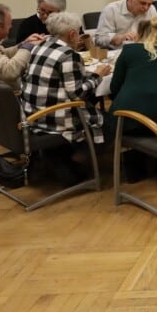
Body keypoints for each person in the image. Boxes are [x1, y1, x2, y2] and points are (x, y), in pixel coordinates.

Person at [20, 12, 111, 184]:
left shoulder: (40, 46)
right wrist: (97, 76)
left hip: (33, 115)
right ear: (72, 34)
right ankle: (75, 161)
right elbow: (77, 94)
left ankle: (59, 157)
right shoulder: (68, 55)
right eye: (79, 32)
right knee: (110, 124)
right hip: (56, 118)